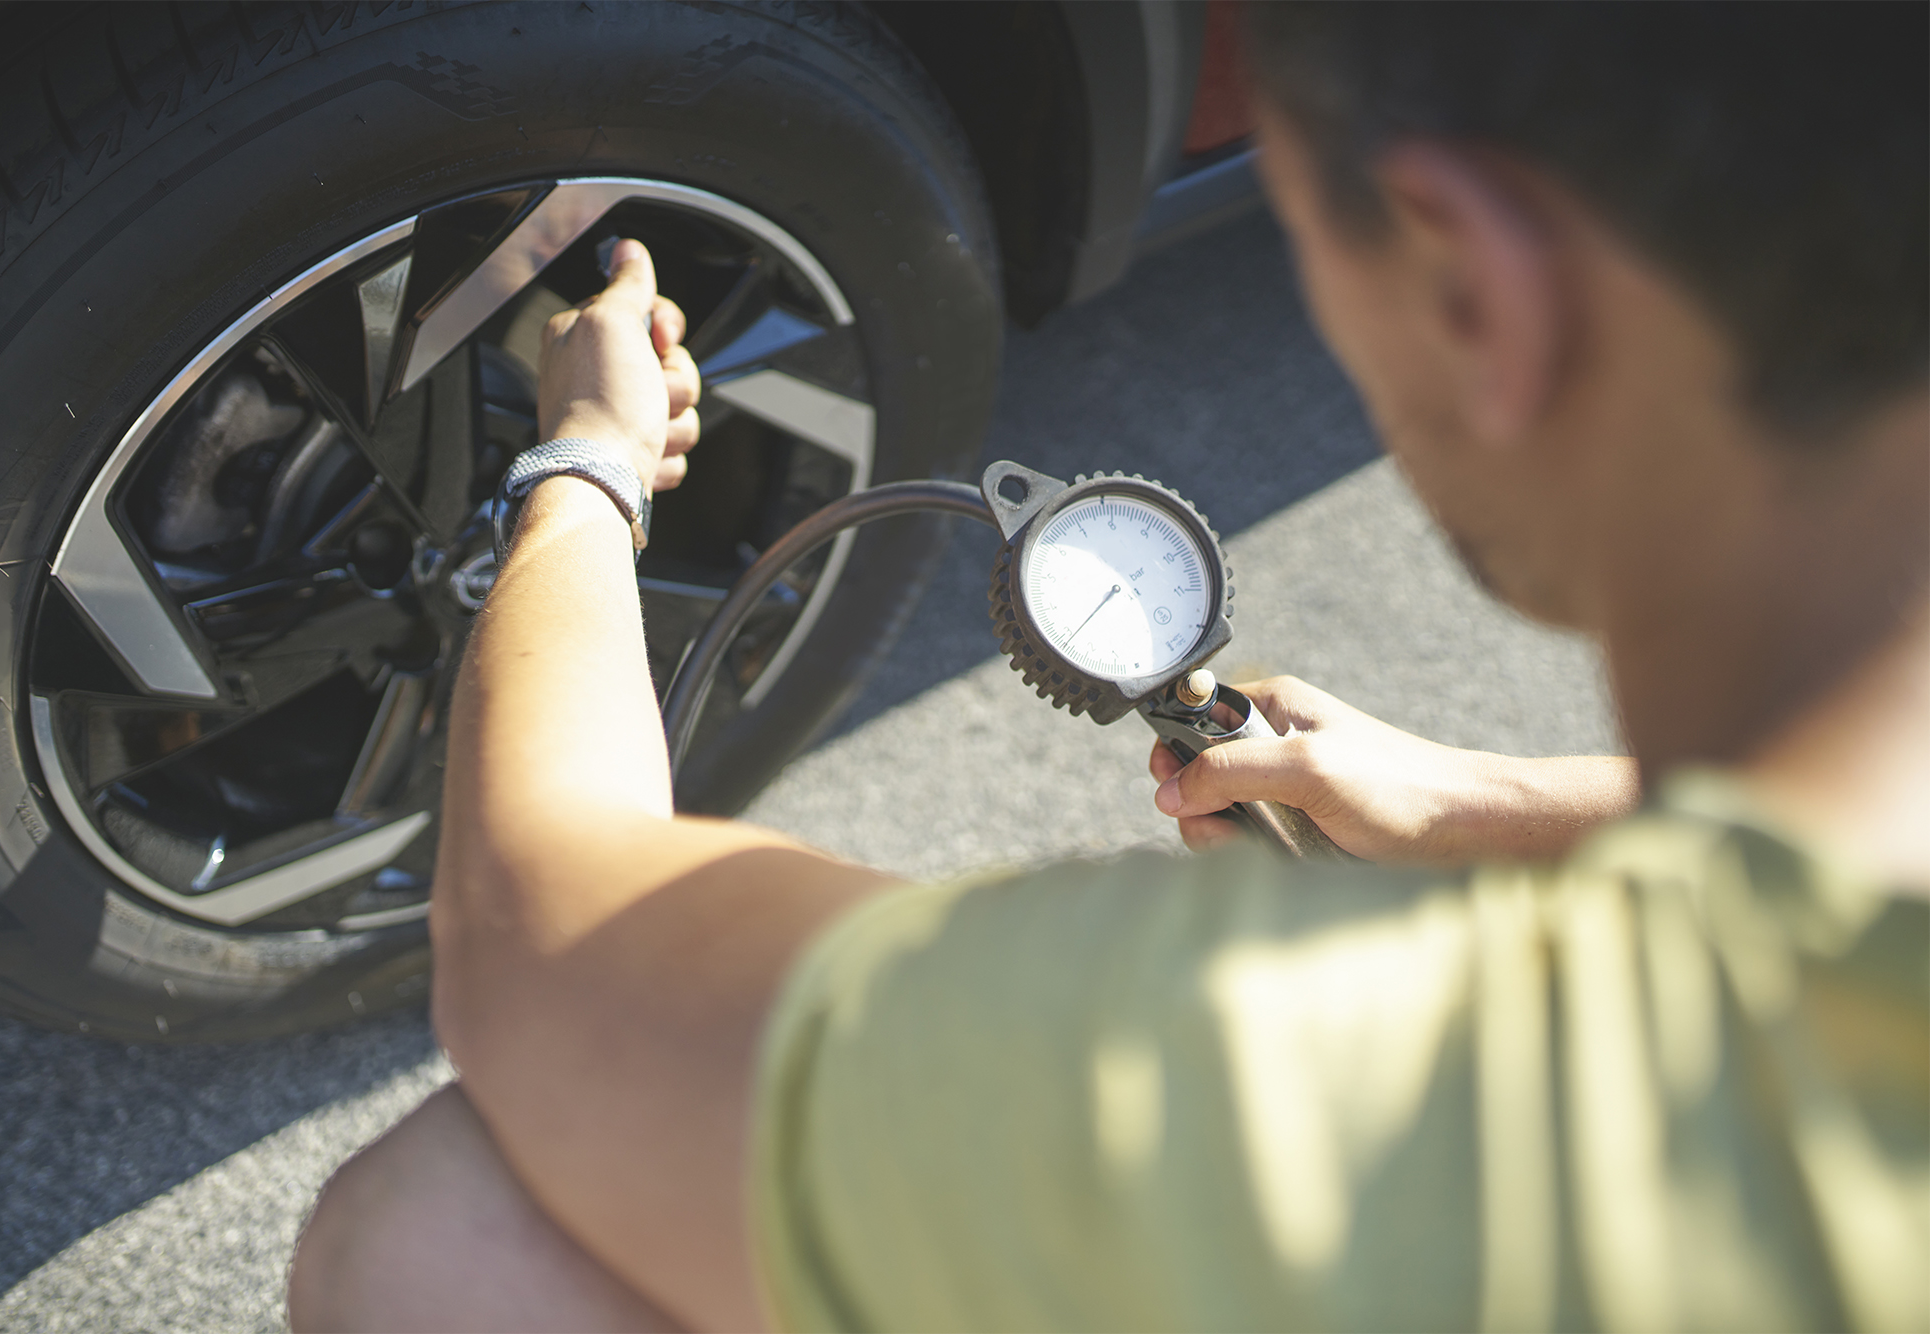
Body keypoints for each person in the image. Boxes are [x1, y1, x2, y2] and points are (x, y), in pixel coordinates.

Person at [287, 4, 1926, 1330]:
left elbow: (536, 937)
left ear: (1469, 282)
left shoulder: (1307, 1081)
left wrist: (579, 464)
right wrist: (1478, 802)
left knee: (445, 1228)